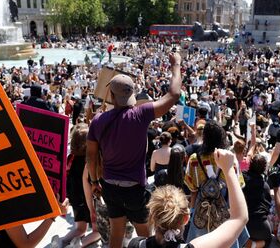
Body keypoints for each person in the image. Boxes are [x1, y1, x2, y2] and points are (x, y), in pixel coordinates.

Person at [87, 52, 182, 248]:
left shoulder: (98, 121)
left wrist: (95, 181)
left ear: (111, 95)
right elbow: (174, 95)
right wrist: (176, 65)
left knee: (116, 233)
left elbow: (91, 156)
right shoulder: (141, 114)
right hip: (135, 190)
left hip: (109, 186)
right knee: (146, 237)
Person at [128, 149, 248, 248]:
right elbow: (240, 218)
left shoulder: (135, 245)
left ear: (152, 216)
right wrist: (229, 169)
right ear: (186, 218)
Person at [242, 154, 272, 248]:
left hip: (243, 224)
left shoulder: (241, 179)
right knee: (268, 240)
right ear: (264, 169)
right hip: (261, 226)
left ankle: (248, 244)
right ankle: (253, 245)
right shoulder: (266, 186)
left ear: (250, 164)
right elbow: (267, 208)